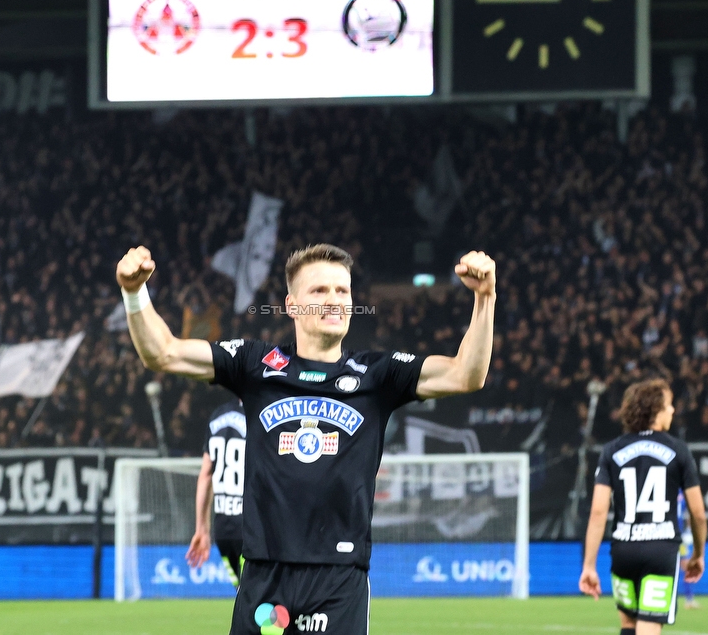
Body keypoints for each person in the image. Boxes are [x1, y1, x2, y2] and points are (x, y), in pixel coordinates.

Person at [117, 243, 495, 635]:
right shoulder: (255, 364)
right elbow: (163, 353)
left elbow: (467, 374)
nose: (334, 300)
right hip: (265, 576)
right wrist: (134, 292)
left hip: (339, 581)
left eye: (343, 291)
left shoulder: (377, 375)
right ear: (292, 305)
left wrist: (485, 298)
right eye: (319, 291)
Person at [579, 379, 707, 635]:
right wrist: (698, 555)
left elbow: (598, 513)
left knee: (628, 625)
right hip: (661, 550)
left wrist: (589, 566)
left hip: (623, 550)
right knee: (648, 627)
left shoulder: (611, 451)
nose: (672, 410)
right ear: (656, 409)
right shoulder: (678, 450)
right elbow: (698, 514)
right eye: (669, 405)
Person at [186, 398, 247, 588]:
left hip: (223, 530)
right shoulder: (261, 415)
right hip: (252, 529)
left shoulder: (217, 416)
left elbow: (205, 474)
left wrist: (202, 528)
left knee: (242, 596)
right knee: (262, 600)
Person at [676, 489, 700, 609]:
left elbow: (691, 511)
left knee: (685, 565)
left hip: (679, 537)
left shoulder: (681, 492)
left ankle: (689, 599)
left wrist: (689, 530)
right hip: (664, 534)